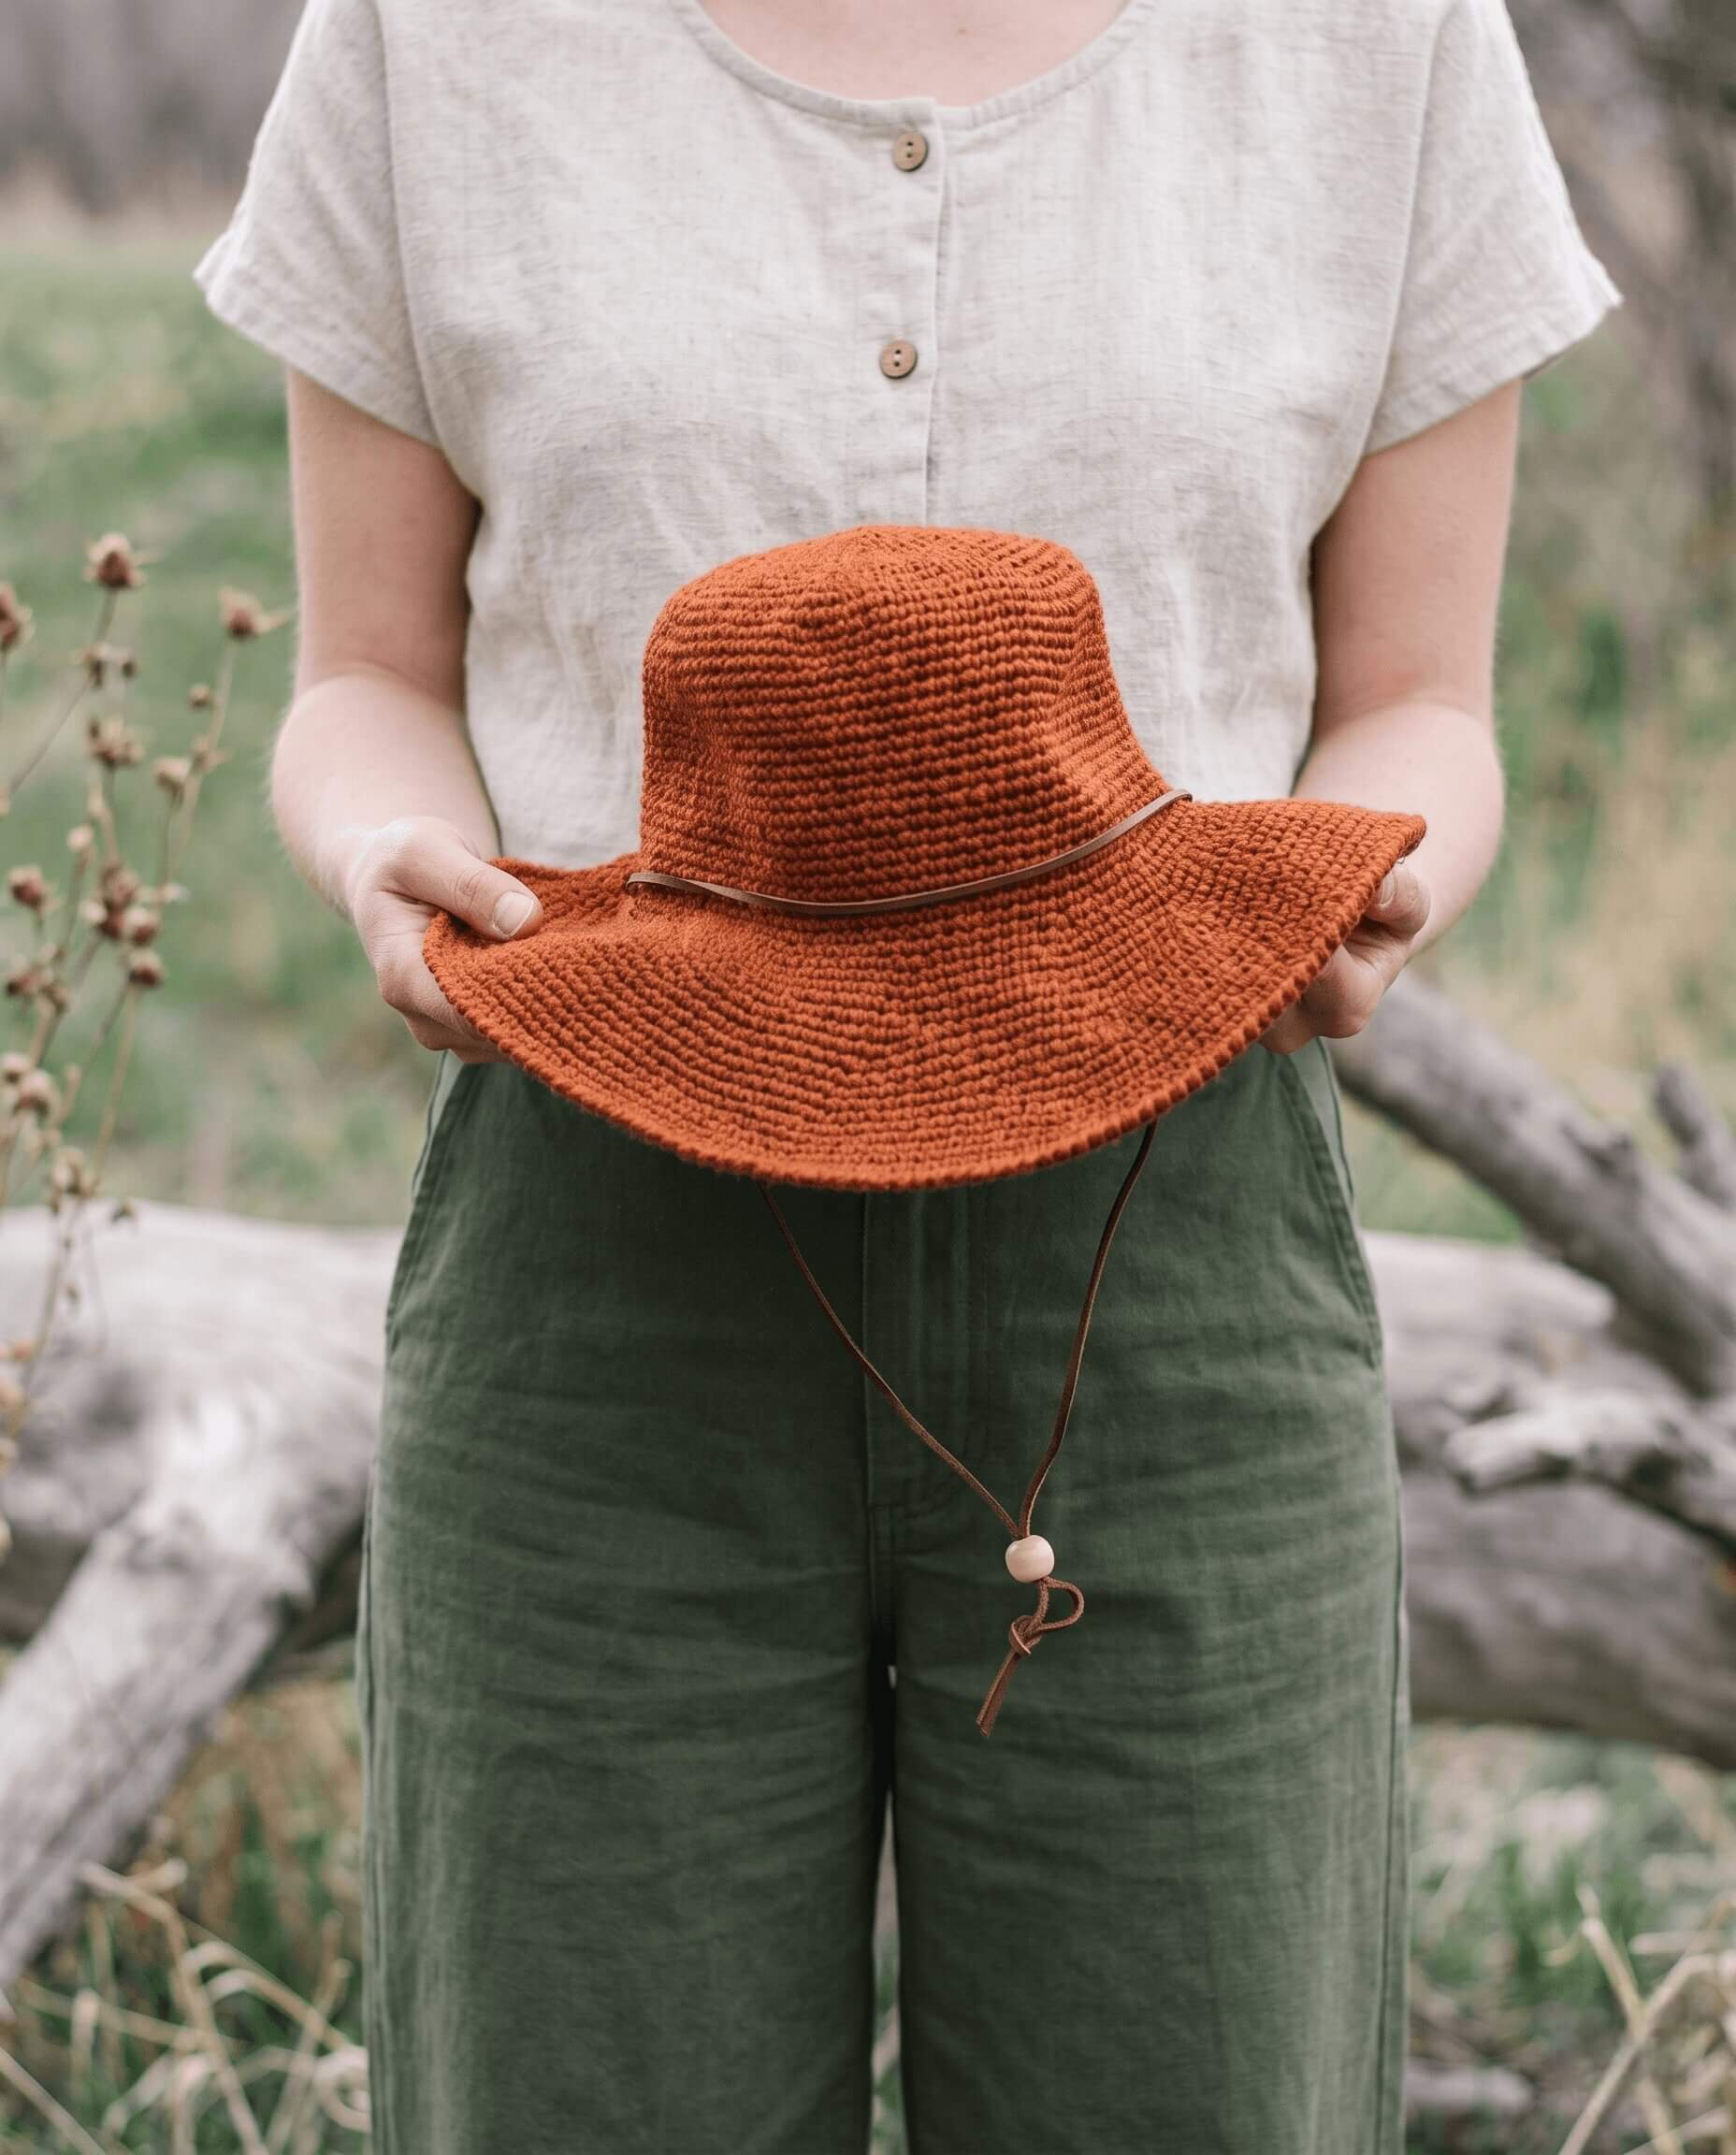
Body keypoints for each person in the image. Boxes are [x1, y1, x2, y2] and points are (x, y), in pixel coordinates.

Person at [193, 2, 1622, 2148]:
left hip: (1167, 1233)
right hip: (602, 1223)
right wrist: (380, 855)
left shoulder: (1373, 35)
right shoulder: (437, 35)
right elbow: (367, 675)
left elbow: (1421, 694)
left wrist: (1371, 873)